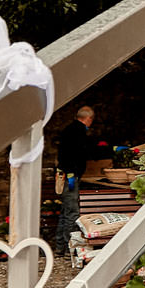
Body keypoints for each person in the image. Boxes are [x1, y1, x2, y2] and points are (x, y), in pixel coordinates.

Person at [51, 105, 107, 250]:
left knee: (65, 212)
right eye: (91, 119)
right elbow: (78, 152)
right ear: (88, 118)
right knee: (72, 213)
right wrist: (108, 150)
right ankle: (70, 247)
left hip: (65, 174)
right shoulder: (78, 131)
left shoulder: (69, 129)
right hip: (70, 176)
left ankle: (60, 247)